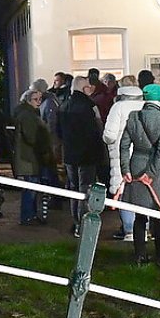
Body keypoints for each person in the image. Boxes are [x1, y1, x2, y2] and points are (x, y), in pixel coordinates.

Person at [120, 84, 160, 266]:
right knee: (159, 213)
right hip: (157, 169)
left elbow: (124, 145)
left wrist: (126, 169)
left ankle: (139, 255)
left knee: (140, 214)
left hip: (136, 164)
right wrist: (151, 173)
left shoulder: (134, 116)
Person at [56, 75, 104, 237]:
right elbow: (97, 130)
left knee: (74, 188)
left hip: (70, 154)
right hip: (87, 155)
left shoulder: (63, 106)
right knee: (85, 189)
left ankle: (76, 222)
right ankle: (83, 224)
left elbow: (58, 131)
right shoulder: (89, 107)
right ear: (84, 89)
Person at [103, 75, 144, 241]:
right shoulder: (145, 105)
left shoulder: (118, 107)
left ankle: (129, 230)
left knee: (124, 191)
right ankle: (143, 228)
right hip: (142, 153)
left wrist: (106, 141)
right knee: (141, 191)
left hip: (122, 153)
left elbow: (110, 135)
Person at [12, 88, 56, 225]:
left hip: (28, 157)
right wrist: (43, 149)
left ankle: (30, 215)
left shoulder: (27, 113)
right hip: (29, 158)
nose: (38, 102)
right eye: (35, 99)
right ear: (28, 100)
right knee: (30, 188)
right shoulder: (28, 116)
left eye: (40, 99)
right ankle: (27, 216)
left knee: (31, 188)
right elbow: (32, 137)